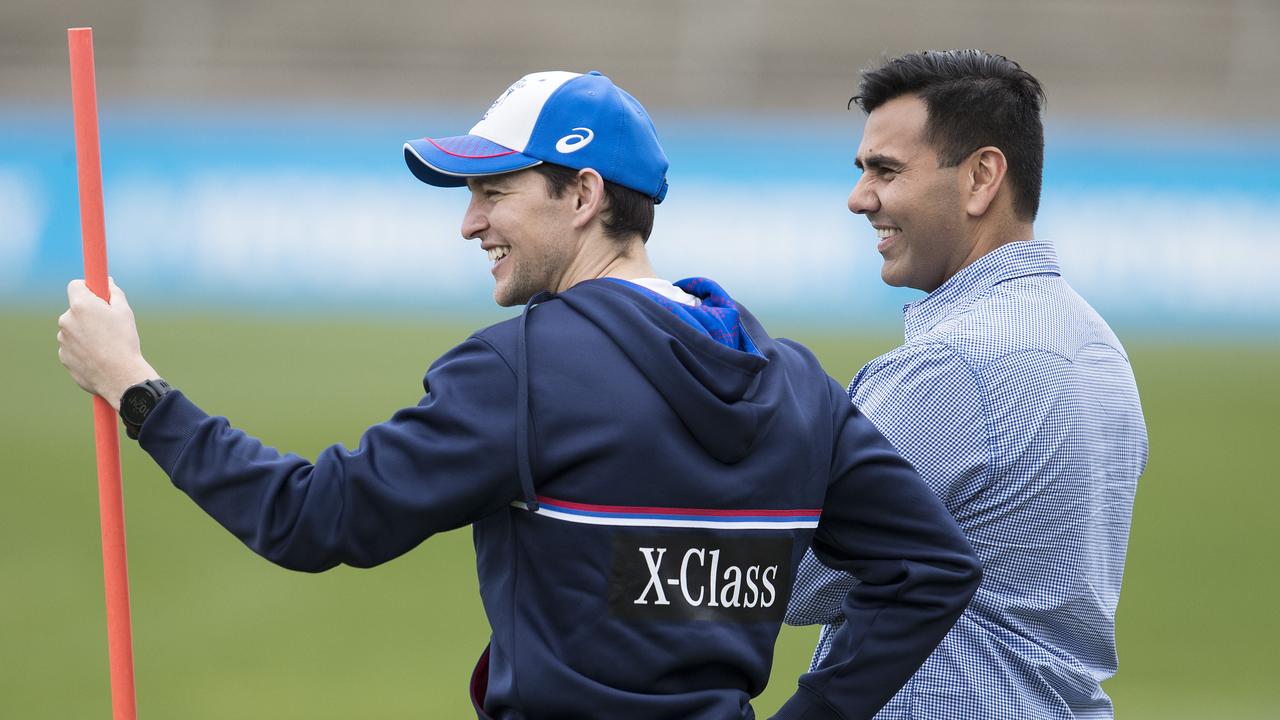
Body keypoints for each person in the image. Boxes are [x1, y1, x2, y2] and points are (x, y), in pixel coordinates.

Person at [57, 69, 980, 719]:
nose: (470, 223)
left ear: (582, 195)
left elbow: (313, 520)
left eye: (493, 191)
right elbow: (930, 567)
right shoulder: (797, 383)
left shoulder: (522, 371)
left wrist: (137, 390)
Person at [784, 50, 1149, 719]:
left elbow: (797, 581)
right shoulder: (1098, 343)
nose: (859, 198)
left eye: (885, 171)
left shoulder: (953, 366)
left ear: (982, 177)